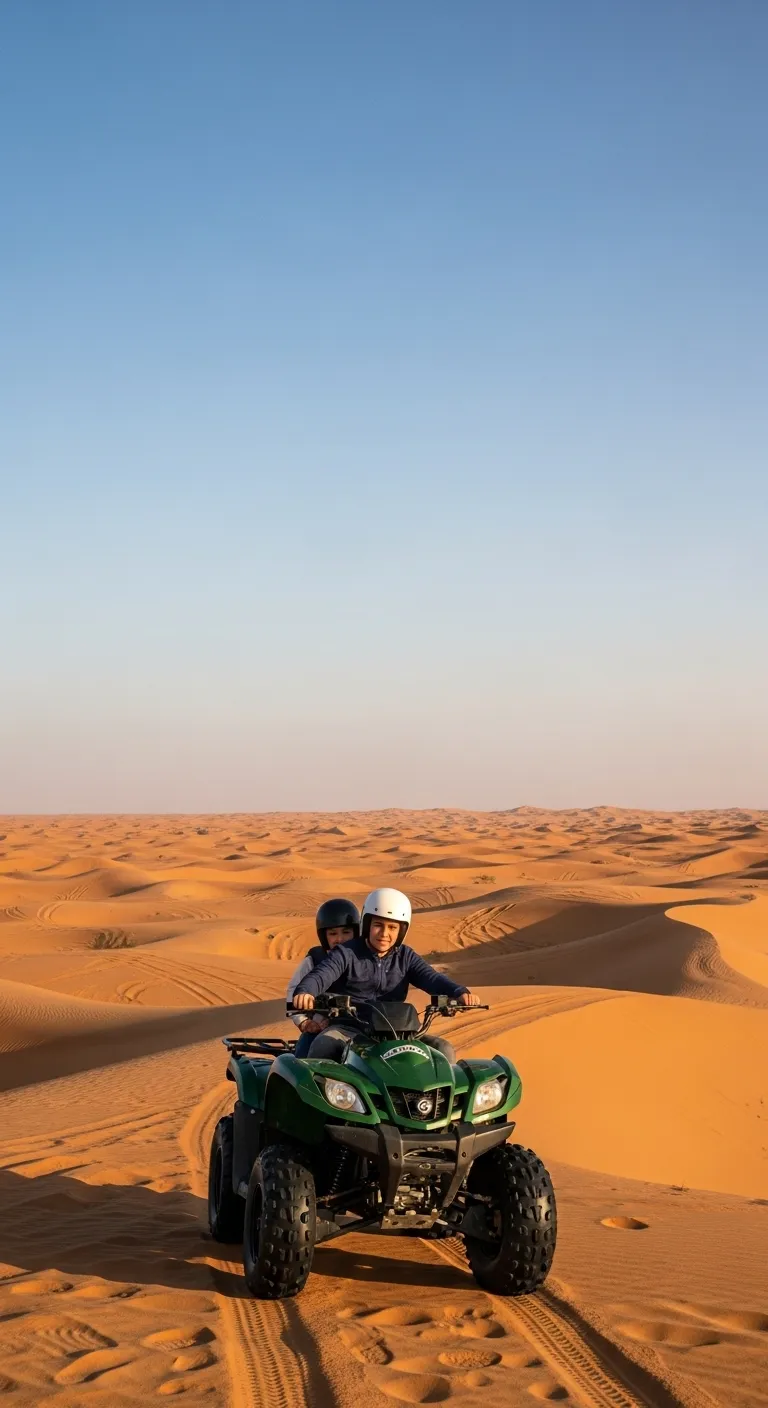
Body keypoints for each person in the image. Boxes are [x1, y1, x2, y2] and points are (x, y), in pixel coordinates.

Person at [293, 887, 480, 1062]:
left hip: (397, 1031)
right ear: (367, 924)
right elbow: (322, 973)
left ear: (401, 931)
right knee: (324, 1044)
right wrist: (306, 990)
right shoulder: (346, 952)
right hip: (349, 1028)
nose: (384, 933)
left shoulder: (406, 956)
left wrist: (458, 992)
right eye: (378, 925)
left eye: (392, 927)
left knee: (442, 1049)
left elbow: (431, 978)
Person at [287, 898, 360, 1056]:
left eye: (346, 932)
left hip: (362, 1027)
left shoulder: (364, 959)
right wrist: (305, 1023)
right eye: (333, 933)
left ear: (356, 932)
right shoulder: (315, 959)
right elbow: (293, 992)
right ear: (323, 936)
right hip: (322, 1027)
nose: (339, 939)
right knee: (305, 1056)